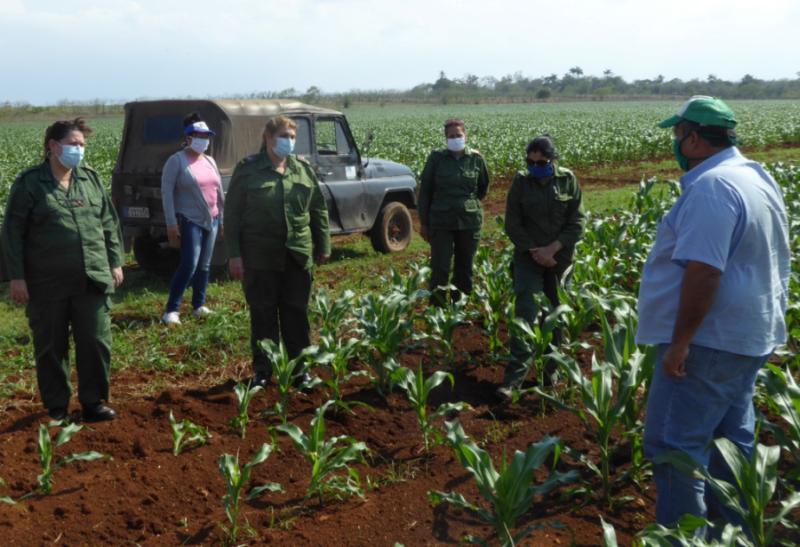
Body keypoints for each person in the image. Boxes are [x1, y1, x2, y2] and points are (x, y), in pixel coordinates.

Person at [637, 96, 790, 535]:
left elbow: (705, 272)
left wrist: (681, 342)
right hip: (748, 337)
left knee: (674, 447)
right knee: (731, 444)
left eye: (678, 135)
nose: (675, 143)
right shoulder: (755, 176)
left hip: (708, 342)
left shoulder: (713, 188)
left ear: (695, 138)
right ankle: (734, 534)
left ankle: (684, 539)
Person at [1, 118, 124, 422]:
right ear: (53, 146)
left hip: (92, 278)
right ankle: (57, 407)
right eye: (73, 144)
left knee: (95, 342)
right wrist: (16, 277)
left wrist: (115, 260)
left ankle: (93, 402)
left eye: (82, 145)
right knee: (51, 347)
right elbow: (12, 232)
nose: (79, 150)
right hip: (47, 283)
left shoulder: (90, 179)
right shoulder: (31, 183)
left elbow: (108, 222)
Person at [224, 115, 331, 387]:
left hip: (297, 255)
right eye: (283, 136)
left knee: (297, 314)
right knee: (263, 315)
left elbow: (317, 207)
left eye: (292, 137)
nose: (289, 142)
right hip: (260, 257)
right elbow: (232, 215)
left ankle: (300, 371)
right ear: (268, 138)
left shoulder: (302, 169)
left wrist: (324, 244)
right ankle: (263, 371)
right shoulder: (248, 170)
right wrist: (234, 255)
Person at [498, 135, 584, 398]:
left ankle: (551, 375)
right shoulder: (521, 182)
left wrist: (552, 249)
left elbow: (577, 223)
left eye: (542, 161)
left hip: (559, 258)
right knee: (526, 311)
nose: (536, 166)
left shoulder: (568, 180)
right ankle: (514, 380)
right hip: (528, 257)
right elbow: (513, 223)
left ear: (553, 159)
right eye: (531, 162)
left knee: (556, 314)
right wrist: (536, 251)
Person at [160, 113, 224, 325]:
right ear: (188, 138)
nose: (203, 139)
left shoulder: (210, 160)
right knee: (189, 264)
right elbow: (167, 193)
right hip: (190, 220)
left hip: (212, 219)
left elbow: (218, 191)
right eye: (198, 135)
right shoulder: (176, 161)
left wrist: (221, 218)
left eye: (206, 136)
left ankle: (199, 305)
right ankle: (172, 309)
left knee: (205, 265)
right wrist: (171, 223)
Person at [418, 119, 490, 305]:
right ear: (446, 138)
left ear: (465, 135)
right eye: (452, 136)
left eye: (459, 135)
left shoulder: (476, 159)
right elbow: (425, 191)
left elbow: (482, 188)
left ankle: (460, 306)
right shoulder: (437, 159)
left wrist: (467, 205)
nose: (456, 138)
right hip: (441, 221)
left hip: (469, 221)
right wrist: (424, 223)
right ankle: (438, 309)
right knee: (440, 267)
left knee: (464, 267)